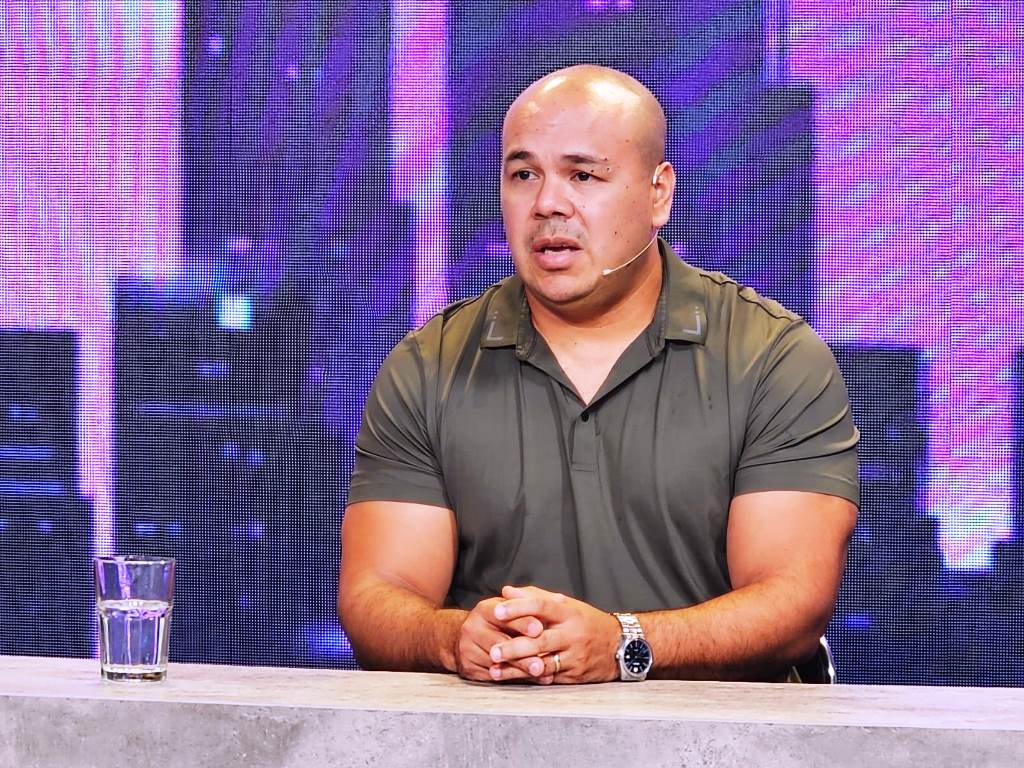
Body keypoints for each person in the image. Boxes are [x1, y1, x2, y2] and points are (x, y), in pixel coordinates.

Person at [338, 65, 858, 684]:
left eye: (582, 176)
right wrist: (453, 638)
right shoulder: (429, 366)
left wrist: (623, 644)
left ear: (658, 194)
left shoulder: (772, 358)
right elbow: (377, 595)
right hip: (493, 728)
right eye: (524, 175)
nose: (547, 204)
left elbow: (793, 602)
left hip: (721, 732)